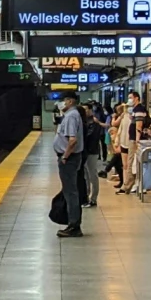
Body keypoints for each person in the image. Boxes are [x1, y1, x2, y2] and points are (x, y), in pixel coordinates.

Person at [51, 92, 86, 237]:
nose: (61, 103)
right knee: (70, 190)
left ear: (70, 101)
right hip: (72, 158)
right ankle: (73, 222)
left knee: (70, 192)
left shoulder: (71, 116)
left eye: (64, 100)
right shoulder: (72, 115)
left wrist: (65, 157)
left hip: (69, 159)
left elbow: (72, 140)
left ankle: (74, 226)